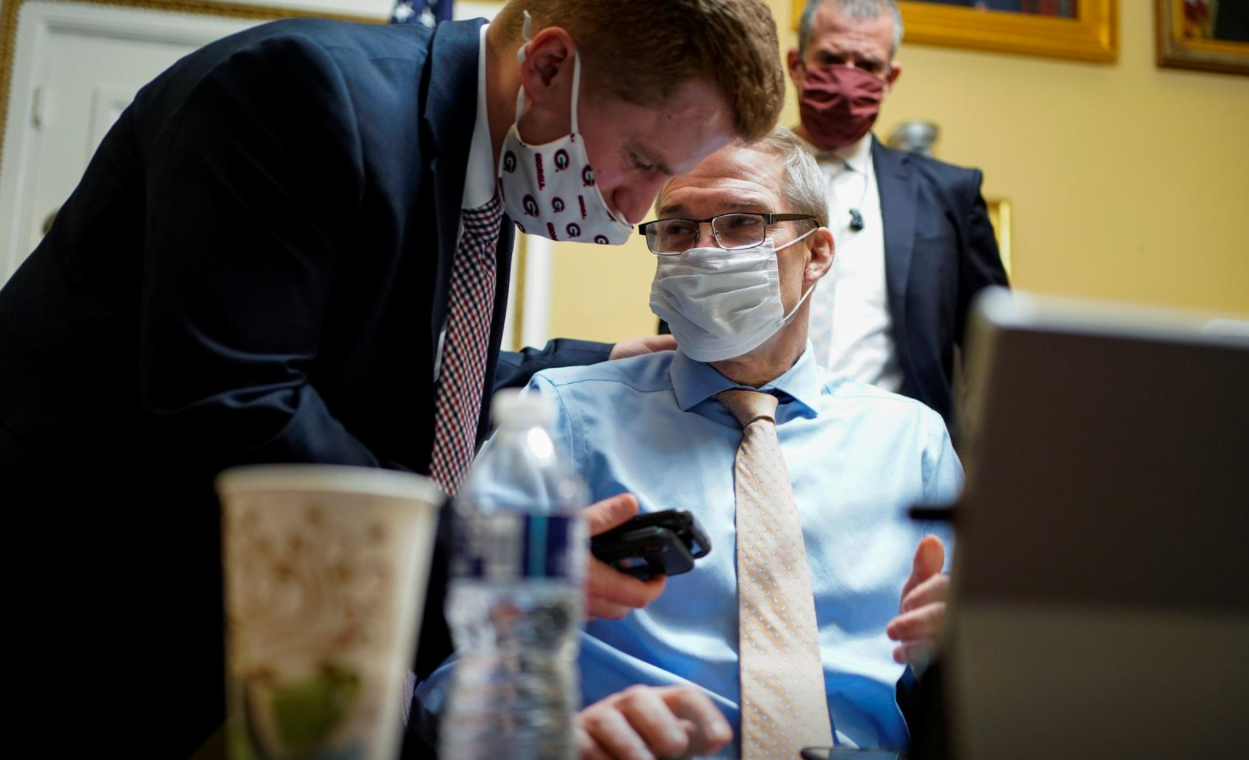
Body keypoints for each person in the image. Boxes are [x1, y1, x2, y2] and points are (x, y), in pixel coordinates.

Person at [0, 1, 785, 754]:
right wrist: (502, 560)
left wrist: (587, 363)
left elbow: (396, 367)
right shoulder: (298, 92)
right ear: (548, 66)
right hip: (66, 609)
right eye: (643, 162)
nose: (630, 214)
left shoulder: (486, 163)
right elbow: (234, 407)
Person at [417, 129, 959, 759]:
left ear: (816, 254)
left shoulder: (910, 440)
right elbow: (449, 655)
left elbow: (983, 679)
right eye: (676, 228)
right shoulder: (561, 416)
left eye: (739, 223)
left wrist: (970, 650)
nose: (703, 251)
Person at [789, 0, 1009, 430]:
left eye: (867, 65)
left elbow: (996, 349)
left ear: (890, 78)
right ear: (797, 65)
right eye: (831, 59)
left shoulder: (949, 195)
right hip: (750, 439)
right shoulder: (736, 177)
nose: (848, 77)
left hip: (895, 450)